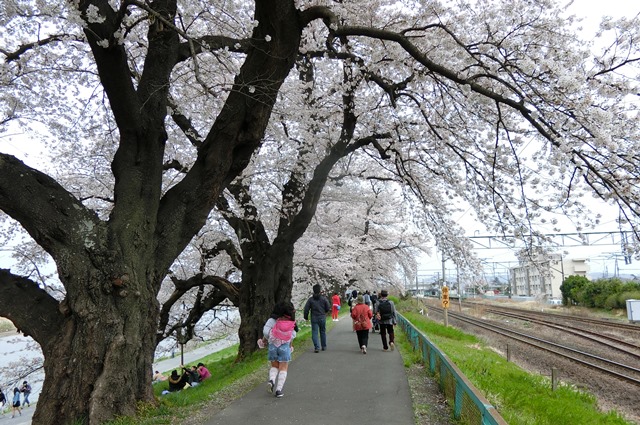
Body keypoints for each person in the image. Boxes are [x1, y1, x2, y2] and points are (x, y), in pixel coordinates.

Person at [262, 300, 297, 398]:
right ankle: (278, 390)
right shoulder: (290, 321)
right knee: (283, 368)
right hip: (285, 347)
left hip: (273, 346)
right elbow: (293, 334)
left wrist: (271, 338)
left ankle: (272, 380)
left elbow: (265, 332)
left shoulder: (272, 320)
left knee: (274, 366)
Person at [303, 284, 331, 352]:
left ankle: (316, 347)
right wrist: (325, 311)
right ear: (320, 290)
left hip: (314, 317)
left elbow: (306, 309)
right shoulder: (324, 298)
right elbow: (328, 307)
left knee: (314, 332)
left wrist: (306, 317)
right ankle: (323, 346)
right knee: (322, 332)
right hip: (322, 317)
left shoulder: (311, 299)